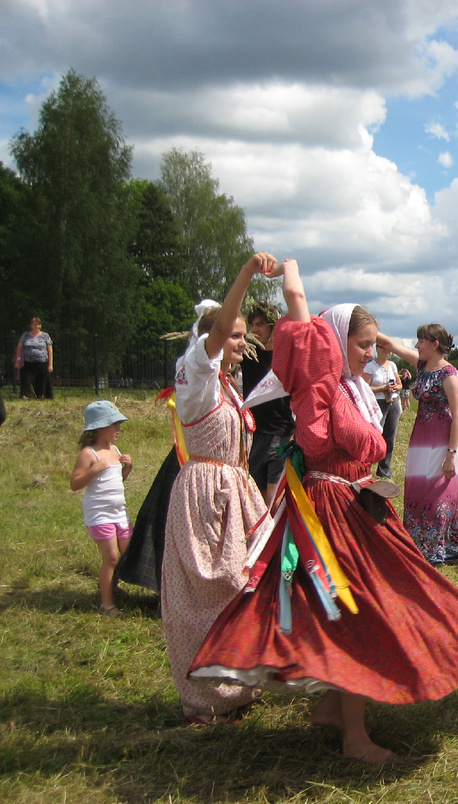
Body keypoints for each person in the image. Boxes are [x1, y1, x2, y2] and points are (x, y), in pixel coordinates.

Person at [191, 259, 458, 762]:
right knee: (353, 609)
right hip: (330, 510)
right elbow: (302, 324)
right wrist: (288, 275)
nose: (372, 353)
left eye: (374, 344)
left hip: (357, 503)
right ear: (334, 342)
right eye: (363, 344)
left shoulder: (358, 389)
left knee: (363, 604)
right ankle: (355, 738)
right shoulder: (322, 386)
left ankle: (333, 710)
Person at [160, 254, 273, 725]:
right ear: (211, 338)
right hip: (205, 492)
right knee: (206, 591)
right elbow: (221, 323)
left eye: (244, 335)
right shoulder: (197, 373)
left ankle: (234, 689)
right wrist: (245, 273)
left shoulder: (225, 384)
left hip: (232, 487)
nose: (242, 341)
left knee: (241, 584)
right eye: (235, 334)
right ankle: (203, 702)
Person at [385, 324, 458, 565]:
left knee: (438, 498)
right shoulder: (421, 365)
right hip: (420, 442)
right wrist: (359, 325)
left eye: (421, 341)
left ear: (434, 344)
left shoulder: (450, 374)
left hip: (443, 444)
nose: (416, 345)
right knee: (418, 494)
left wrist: (450, 455)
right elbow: (392, 344)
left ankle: (453, 550)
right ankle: (418, 548)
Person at [70, 401, 133, 616]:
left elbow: (116, 483)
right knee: (111, 558)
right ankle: (107, 604)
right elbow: (75, 483)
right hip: (100, 514)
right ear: (99, 427)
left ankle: (111, 587)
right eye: (114, 425)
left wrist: (127, 469)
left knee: (126, 553)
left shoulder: (114, 450)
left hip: (119, 512)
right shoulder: (89, 454)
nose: (119, 429)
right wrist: (93, 470)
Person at [243, 302, 294, 501]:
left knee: (273, 500)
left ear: (273, 325)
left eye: (260, 324)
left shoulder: (286, 356)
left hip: (280, 433)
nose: (254, 330)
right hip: (254, 433)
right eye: (252, 325)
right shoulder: (248, 355)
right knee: (255, 498)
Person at [365, 345, 401, 480]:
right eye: (385, 348)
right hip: (378, 402)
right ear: (378, 349)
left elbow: (400, 383)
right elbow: (366, 387)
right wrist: (383, 388)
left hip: (393, 401)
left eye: (389, 349)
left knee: (390, 436)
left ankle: (384, 470)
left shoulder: (392, 365)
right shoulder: (370, 366)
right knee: (375, 435)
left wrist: (395, 387)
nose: (388, 351)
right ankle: (366, 467)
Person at [14, 317, 53, 399]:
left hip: (42, 362)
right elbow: (19, 348)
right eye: (35, 325)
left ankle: (41, 396)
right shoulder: (26, 335)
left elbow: (50, 350)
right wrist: (17, 360)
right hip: (28, 362)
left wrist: (50, 364)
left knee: (41, 381)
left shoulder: (45, 336)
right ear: (31, 325)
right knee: (26, 381)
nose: (37, 326)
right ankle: (25, 396)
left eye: (39, 324)